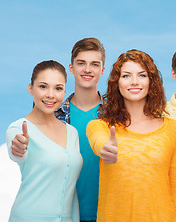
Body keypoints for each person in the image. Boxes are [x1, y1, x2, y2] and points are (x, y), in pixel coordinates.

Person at [86, 49, 176, 222]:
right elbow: (99, 141)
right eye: (126, 76)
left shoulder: (173, 129)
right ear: (116, 83)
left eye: (141, 75)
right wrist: (105, 148)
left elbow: (175, 190)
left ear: (151, 81)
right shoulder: (100, 127)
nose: (134, 82)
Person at [6, 60, 83, 222]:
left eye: (58, 88)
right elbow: (17, 152)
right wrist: (18, 148)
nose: (50, 94)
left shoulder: (72, 132)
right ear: (30, 88)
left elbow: (71, 189)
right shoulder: (18, 129)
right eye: (43, 86)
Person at [55, 38, 105, 222]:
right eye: (81, 63)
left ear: (102, 70)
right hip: (64, 215)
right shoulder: (54, 114)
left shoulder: (117, 115)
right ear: (71, 67)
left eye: (94, 64)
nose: (87, 69)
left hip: (107, 214)